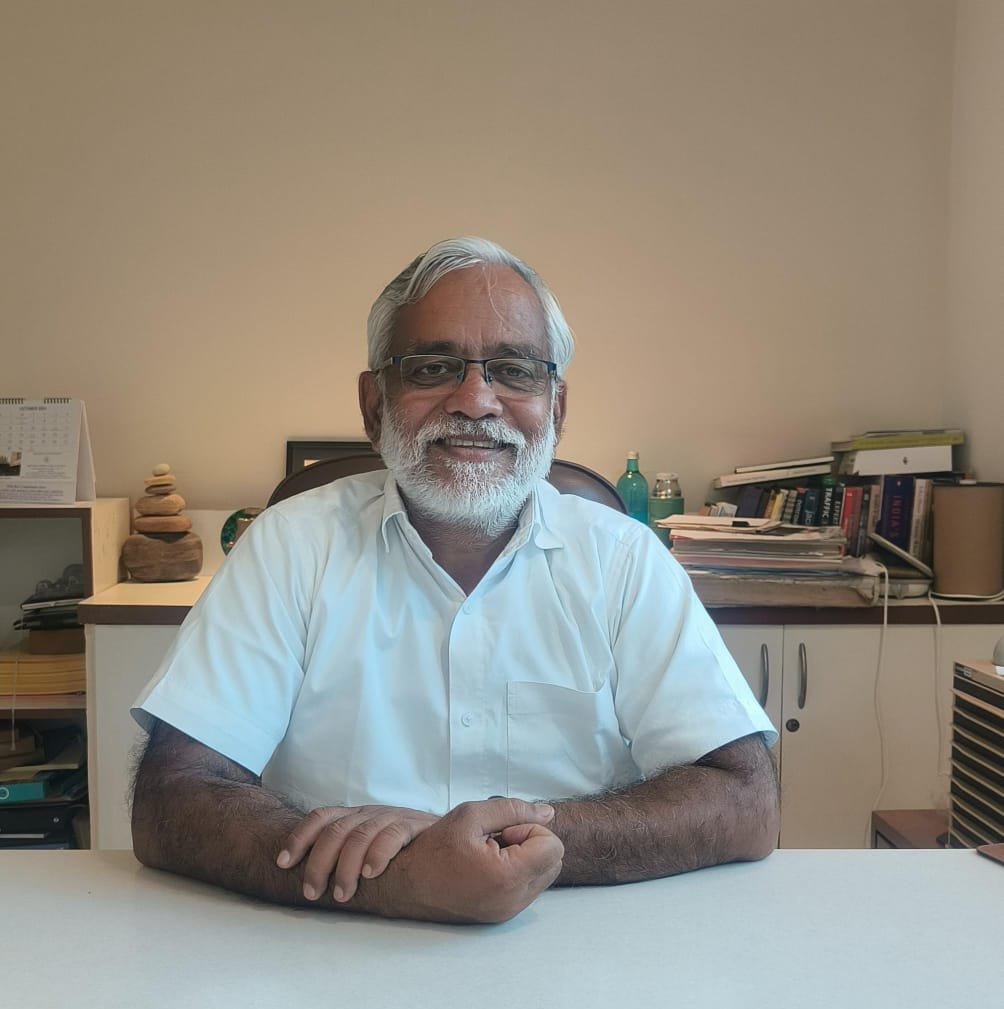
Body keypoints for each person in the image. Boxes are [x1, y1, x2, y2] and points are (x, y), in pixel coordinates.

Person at [131, 236, 779, 924]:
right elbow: (174, 795)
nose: (476, 400)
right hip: (330, 954)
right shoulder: (290, 546)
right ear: (374, 404)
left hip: (582, 963)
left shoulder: (625, 560)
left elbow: (743, 799)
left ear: (555, 409)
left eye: (514, 369)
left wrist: (523, 846)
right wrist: (403, 877)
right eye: (433, 366)